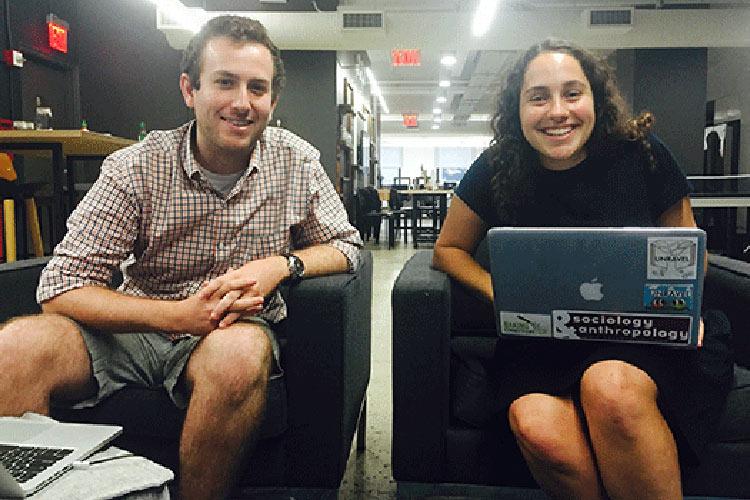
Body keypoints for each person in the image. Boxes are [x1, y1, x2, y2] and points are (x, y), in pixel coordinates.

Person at [0, 15, 361, 500]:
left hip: (230, 332)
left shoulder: (296, 163)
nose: (241, 102)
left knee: (238, 356)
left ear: (273, 101)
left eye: (257, 88)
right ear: (190, 90)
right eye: (225, 83)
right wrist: (178, 316)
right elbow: (61, 287)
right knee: (15, 348)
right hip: (133, 330)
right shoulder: (137, 166)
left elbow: (346, 245)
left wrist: (281, 265)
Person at [433, 39, 732, 500]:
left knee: (609, 389)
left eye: (572, 93)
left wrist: (683, 307)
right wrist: (501, 293)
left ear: (595, 98)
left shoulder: (643, 153)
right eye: (538, 97)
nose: (558, 111)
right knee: (537, 428)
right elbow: (449, 249)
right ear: (518, 109)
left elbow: (690, 248)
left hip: (639, 333)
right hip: (541, 340)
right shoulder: (494, 167)